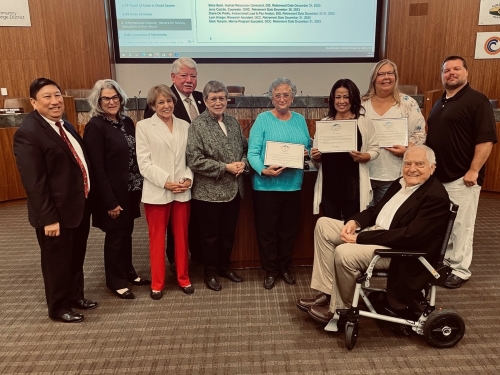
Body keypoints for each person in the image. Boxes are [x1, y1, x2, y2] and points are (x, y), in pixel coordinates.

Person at [297, 145, 450, 330]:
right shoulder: (400, 183)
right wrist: (355, 222)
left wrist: (361, 238)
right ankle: (328, 292)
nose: (412, 169)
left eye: (419, 164)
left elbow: (410, 236)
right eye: (408, 163)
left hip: (399, 250)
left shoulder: (435, 196)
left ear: (432, 167)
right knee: (324, 225)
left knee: (344, 252)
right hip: (377, 233)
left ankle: (340, 310)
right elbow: (375, 210)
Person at [13, 78, 97, 323]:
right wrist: (48, 219)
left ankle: (75, 296)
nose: (54, 101)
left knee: (75, 257)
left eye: (57, 95)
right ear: (33, 102)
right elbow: (34, 183)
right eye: (47, 97)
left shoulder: (63, 124)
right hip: (55, 215)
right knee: (56, 263)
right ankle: (59, 307)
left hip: (77, 208)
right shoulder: (28, 133)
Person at [426, 55, 497, 289]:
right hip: (439, 176)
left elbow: (486, 140)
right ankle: (445, 261)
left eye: (457, 69)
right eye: (447, 70)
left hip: (463, 176)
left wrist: (474, 170)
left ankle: (461, 269)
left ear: (466, 73)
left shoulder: (477, 101)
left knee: (462, 225)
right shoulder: (441, 102)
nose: (451, 73)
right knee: (444, 222)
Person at [83, 79, 150, 300]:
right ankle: (115, 281)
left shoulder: (126, 121)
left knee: (126, 233)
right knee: (115, 237)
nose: (111, 102)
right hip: (112, 194)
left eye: (115, 97)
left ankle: (128, 272)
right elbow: (97, 169)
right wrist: (110, 202)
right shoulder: (95, 126)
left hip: (131, 190)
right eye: (106, 98)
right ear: (98, 101)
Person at [248, 77, 312, 290]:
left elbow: (310, 147)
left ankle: (284, 267)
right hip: (266, 185)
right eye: (278, 95)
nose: (282, 99)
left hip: (293, 185)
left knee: (288, 231)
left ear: (293, 97)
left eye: (286, 95)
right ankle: (270, 270)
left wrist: (307, 152)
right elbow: (252, 152)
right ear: (271, 98)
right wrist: (263, 170)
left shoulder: (300, 120)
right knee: (267, 232)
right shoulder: (262, 120)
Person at [144, 57, 206, 270]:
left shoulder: (201, 99)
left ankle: (196, 256)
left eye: (193, 76)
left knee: (194, 221)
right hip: (169, 181)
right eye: (184, 76)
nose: (189, 80)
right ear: (173, 77)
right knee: (171, 228)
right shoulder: (160, 101)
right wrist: (170, 180)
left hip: (196, 175)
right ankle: (174, 261)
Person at [186, 80, 248, 291]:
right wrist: (225, 167)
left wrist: (243, 163)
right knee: (210, 236)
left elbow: (245, 148)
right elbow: (194, 160)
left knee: (228, 233)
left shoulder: (232, 122)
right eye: (213, 98)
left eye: (222, 98)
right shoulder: (197, 125)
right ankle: (210, 272)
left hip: (233, 189)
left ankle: (224, 267)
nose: (218, 102)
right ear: (205, 101)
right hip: (208, 193)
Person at [136, 84, 194, 300]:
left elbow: (190, 158)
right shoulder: (143, 127)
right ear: (152, 105)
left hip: (182, 190)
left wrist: (188, 177)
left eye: (169, 101)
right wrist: (166, 182)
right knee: (157, 240)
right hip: (157, 191)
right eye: (160, 102)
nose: (166, 105)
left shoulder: (185, 125)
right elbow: (144, 163)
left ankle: (184, 278)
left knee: (181, 238)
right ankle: (158, 283)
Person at [311, 79, 379, 220]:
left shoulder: (364, 122)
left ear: (353, 98)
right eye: (338, 97)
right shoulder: (325, 124)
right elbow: (316, 156)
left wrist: (364, 157)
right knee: (330, 228)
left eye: (346, 97)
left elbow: (375, 149)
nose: (342, 101)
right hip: (329, 186)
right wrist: (315, 156)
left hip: (354, 186)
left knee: (352, 230)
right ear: (332, 99)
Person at [362, 59, 426, 205]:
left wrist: (407, 149)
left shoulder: (407, 103)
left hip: (394, 174)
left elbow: (420, 132)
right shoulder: (361, 104)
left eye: (390, 73)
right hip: (365, 173)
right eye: (381, 74)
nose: (386, 77)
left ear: (395, 77)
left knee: (387, 220)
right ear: (373, 78)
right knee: (364, 218)